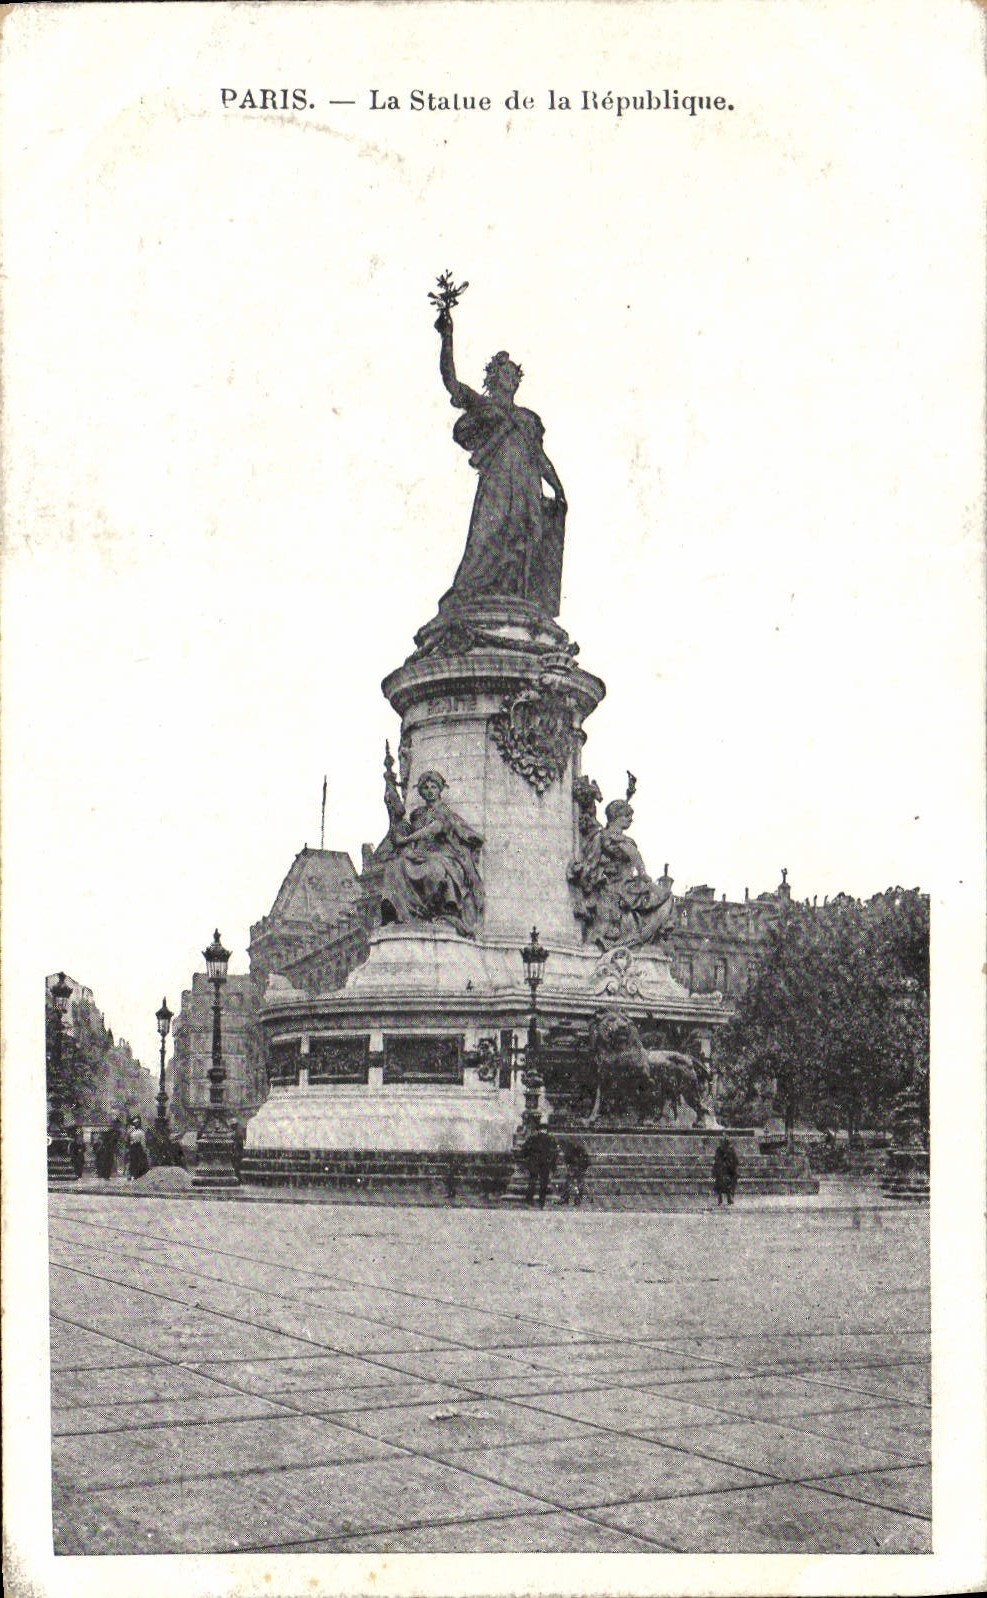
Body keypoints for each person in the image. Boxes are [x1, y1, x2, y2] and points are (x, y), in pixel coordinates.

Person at [435, 304, 567, 616]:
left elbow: (540, 457)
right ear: (493, 377)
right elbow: (451, 381)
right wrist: (447, 337)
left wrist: (558, 487)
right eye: (506, 373)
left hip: (526, 487)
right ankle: (470, 596)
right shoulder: (485, 407)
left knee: (525, 541)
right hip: (498, 485)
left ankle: (513, 600)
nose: (512, 379)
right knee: (487, 537)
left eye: (514, 374)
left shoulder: (527, 419)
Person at [380, 771, 484, 937]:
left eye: (433, 787)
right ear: (421, 791)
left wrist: (406, 840)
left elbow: (434, 829)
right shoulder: (417, 814)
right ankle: (397, 912)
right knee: (395, 865)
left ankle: (442, 911)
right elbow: (402, 828)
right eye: (426, 788)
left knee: (435, 869)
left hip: (444, 854)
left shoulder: (444, 812)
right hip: (421, 854)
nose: (429, 791)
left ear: (440, 789)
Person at [569, 797, 675, 948]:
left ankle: (644, 937)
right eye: (627, 816)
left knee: (664, 897)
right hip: (617, 885)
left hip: (628, 883)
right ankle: (633, 938)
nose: (630, 819)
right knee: (661, 896)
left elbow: (636, 861)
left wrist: (643, 874)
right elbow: (592, 863)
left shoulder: (623, 840)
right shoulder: (603, 837)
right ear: (616, 816)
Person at [519, 1123, 559, 1209]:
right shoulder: (550, 1139)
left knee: (532, 1181)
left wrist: (528, 1159)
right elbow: (554, 1153)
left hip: (534, 1162)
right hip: (545, 1163)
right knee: (543, 1183)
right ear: (546, 1130)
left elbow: (524, 1150)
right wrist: (553, 1166)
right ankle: (541, 1203)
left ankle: (529, 1201)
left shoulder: (532, 1138)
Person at [557, 1137, 591, 1207]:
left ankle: (576, 1200)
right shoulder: (569, 1151)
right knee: (570, 1184)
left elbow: (584, 1160)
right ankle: (567, 1199)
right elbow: (567, 1163)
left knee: (577, 1184)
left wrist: (578, 1169)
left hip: (579, 1169)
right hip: (576, 1169)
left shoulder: (572, 1150)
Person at [712, 1134, 739, 1207]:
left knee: (729, 1183)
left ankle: (729, 1198)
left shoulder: (731, 1150)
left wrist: (730, 1165)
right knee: (720, 1183)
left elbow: (736, 1160)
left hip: (729, 1170)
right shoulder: (719, 1150)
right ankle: (721, 1199)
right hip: (722, 1170)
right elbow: (717, 1160)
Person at [126, 1116, 150, 1181]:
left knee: (133, 1162)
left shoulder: (132, 1131)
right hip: (137, 1148)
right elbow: (143, 1142)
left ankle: (132, 1174)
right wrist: (144, 1149)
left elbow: (129, 1140)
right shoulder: (140, 1132)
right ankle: (136, 1175)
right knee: (138, 1162)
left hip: (133, 1148)